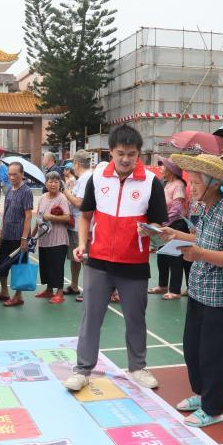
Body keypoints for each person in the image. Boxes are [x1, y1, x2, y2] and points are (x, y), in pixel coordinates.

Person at [63, 125, 168, 392]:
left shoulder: (151, 183)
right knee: (91, 318)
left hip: (134, 263)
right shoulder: (98, 178)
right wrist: (83, 244)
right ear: (110, 152)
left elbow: (159, 224)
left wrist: (151, 231)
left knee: (135, 318)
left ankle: (138, 367)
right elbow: (86, 216)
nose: (125, 159)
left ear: (138, 154)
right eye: (120, 153)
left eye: (131, 154)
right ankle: (82, 369)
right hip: (98, 261)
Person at [160, 154, 223, 427]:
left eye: (197, 182)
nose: (192, 187)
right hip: (200, 290)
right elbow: (203, 239)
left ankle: (213, 409)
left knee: (213, 354)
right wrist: (175, 235)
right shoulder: (206, 209)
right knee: (193, 348)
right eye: (191, 181)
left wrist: (200, 254)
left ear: (214, 183)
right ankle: (201, 395)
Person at [0, 161, 34, 307]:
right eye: (9, 174)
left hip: (19, 236)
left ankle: (18, 296)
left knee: (18, 266)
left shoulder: (26, 191)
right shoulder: (9, 190)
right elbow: (6, 213)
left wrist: (24, 238)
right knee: (1, 264)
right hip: (7, 235)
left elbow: (28, 216)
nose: (11, 177)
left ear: (22, 174)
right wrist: (1, 233)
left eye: (15, 174)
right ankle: (4, 292)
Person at [149, 156, 189, 300]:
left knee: (174, 258)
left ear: (171, 170)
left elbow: (177, 209)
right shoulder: (165, 183)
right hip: (164, 225)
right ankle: (163, 285)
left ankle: (175, 290)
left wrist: (163, 222)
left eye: (163, 165)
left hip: (176, 225)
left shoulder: (178, 185)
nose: (160, 168)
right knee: (162, 256)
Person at [34, 171, 71, 303]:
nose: (53, 184)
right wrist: (32, 236)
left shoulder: (62, 198)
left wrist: (52, 217)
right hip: (44, 238)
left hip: (58, 239)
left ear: (60, 184)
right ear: (46, 183)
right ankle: (49, 290)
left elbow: (67, 217)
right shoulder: (43, 197)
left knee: (56, 266)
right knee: (46, 265)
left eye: (56, 181)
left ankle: (59, 292)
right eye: (50, 181)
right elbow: (38, 217)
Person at [63, 150, 93, 299]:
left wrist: (66, 192)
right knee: (75, 258)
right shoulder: (85, 177)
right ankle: (74, 285)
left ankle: (88, 291)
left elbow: (79, 203)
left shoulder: (86, 178)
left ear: (76, 163)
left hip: (81, 225)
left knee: (84, 258)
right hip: (77, 224)